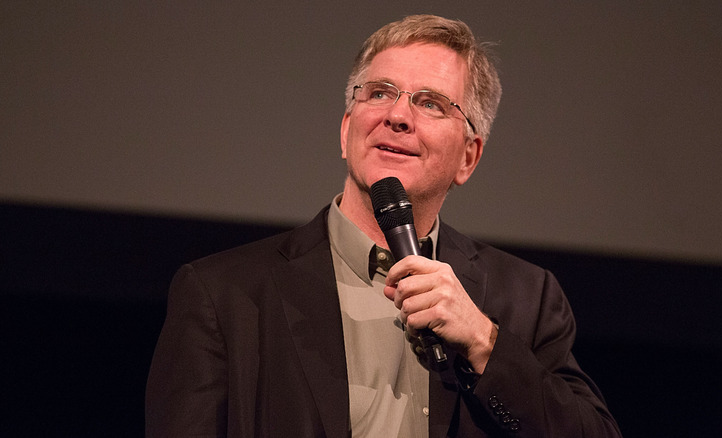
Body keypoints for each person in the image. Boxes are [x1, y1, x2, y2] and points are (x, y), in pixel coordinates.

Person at [146, 14, 622, 438]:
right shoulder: (222, 295)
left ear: (469, 157)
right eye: (380, 93)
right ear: (346, 130)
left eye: (431, 103)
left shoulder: (525, 299)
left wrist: (483, 341)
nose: (397, 116)